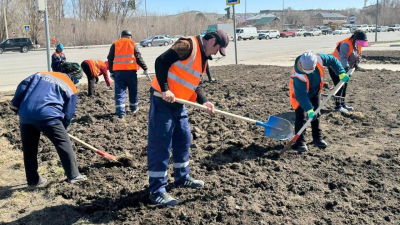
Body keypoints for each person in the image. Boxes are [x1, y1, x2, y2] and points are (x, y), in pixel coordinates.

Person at [147, 30, 229, 206]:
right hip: (163, 100)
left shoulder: (204, 59)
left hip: (179, 103)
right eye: (217, 49)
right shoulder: (187, 45)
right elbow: (160, 62)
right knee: (161, 144)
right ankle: (157, 191)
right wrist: (165, 88)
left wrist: (205, 102)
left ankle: (182, 177)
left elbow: (195, 83)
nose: (216, 53)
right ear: (212, 41)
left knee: (184, 139)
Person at [10, 62, 87, 186]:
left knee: (29, 148)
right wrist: (62, 128)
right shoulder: (70, 85)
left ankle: (33, 180)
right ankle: (74, 175)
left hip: (25, 114)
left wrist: (15, 104)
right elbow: (68, 113)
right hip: (48, 115)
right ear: (74, 75)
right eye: (78, 78)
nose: (77, 80)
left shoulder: (40, 74)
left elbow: (23, 85)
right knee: (64, 143)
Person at [289, 50, 349, 153]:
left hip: (315, 90)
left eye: (311, 68)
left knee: (317, 114)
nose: (309, 71)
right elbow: (301, 95)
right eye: (306, 69)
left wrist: (341, 72)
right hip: (300, 95)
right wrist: (309, 110)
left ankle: (317, 138)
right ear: (302, 66)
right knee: (301, 117)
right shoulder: (297, 75)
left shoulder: (319, 59)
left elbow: (333, 60)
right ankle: (300, 142)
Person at [107, 30, 148, 119]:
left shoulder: (115, 44)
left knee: (120, 92)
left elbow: (110, 58)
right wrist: (145, 68)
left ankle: (121, 113)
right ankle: (133, 108)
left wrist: (111, 71)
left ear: (122, 36)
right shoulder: (132, 44)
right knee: (133, 90)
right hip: (131, 72)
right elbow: (138, 57)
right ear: (130, 37)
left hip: (118, 73)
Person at [329, 30, 369, 112]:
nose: (360, 44)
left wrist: (357, 63)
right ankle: (338, 106)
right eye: (360, 41)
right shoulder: (345, 44)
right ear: (355, 38)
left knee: (345, 86)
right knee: (339, 86)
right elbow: (343, 58)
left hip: (347, 68)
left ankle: (343, 104)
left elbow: (359, 55)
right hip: (335, 67)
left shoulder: (358, 45)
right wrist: (346, 68)